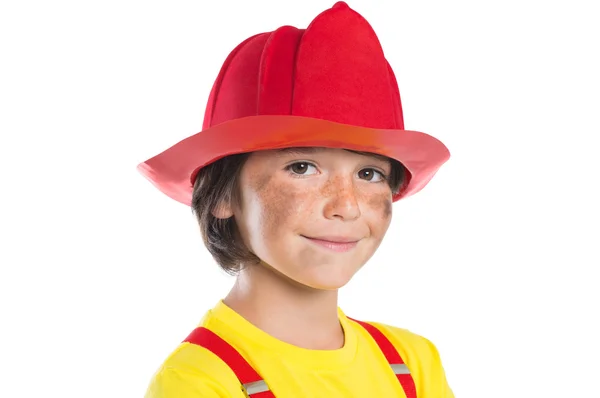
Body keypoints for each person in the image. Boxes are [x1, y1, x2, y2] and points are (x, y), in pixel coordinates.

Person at [138, 2, 454, 397]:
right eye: (302, 167)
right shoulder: (200, 380)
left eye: (368, 174)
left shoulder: (411, 362)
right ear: (222, 195)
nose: (346, 205)